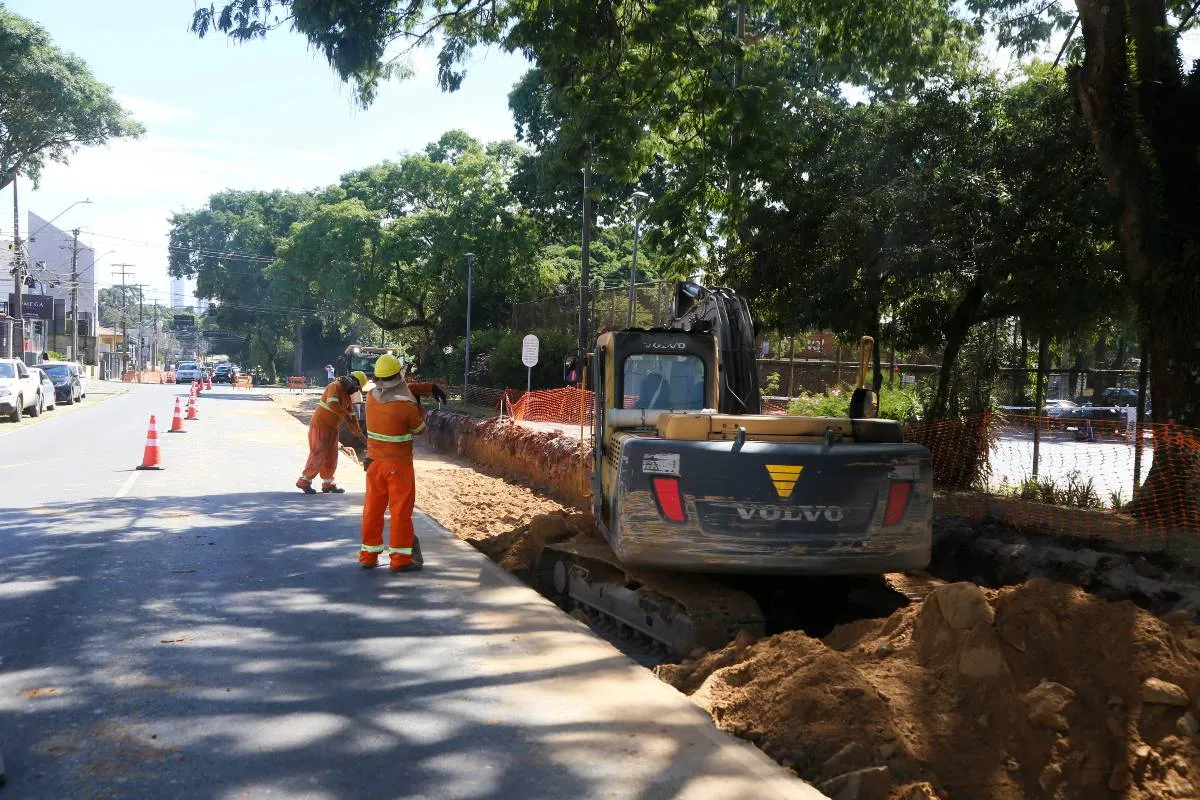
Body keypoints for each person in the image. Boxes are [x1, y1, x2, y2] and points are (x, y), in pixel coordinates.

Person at [360, 353, 427, 572]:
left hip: (374, 464)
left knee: (373, 509)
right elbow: (420, 429)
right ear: (399, 376)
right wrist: (418, 403)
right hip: (399, 466)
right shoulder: (406, 406)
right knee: (400, 512)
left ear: (378, 378)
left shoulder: (370, 398)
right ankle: (399, 560)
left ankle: (368, 556)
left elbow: (390, 395)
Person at [296, 370, 369, 495]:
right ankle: (304, 481)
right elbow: (332, 404)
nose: (355, 391)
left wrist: (358, 432)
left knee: (331, 456)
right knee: (318, 453)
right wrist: (346, 417)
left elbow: (352, 415)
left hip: (333, 428)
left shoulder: (346, 395)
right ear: (352, 381)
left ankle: (328, 484)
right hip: (320, 426)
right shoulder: (335, 386)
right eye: (356, 388)